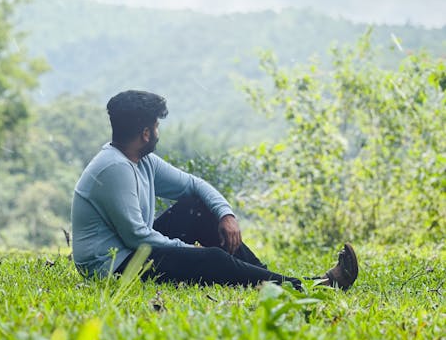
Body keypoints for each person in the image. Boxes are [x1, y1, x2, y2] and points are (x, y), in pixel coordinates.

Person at [71, 90, 358, 290]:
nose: (158, 132)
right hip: (113, 266)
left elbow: (194, 185)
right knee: (213, 259)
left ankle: (266, 278)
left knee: (197, 210)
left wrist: (225, 215)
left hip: (130, 250)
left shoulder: (140, 160)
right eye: (156, 126)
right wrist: (192, 254)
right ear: (146, 133)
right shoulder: (114, 169)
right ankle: (310, 286)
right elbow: (137, 237)